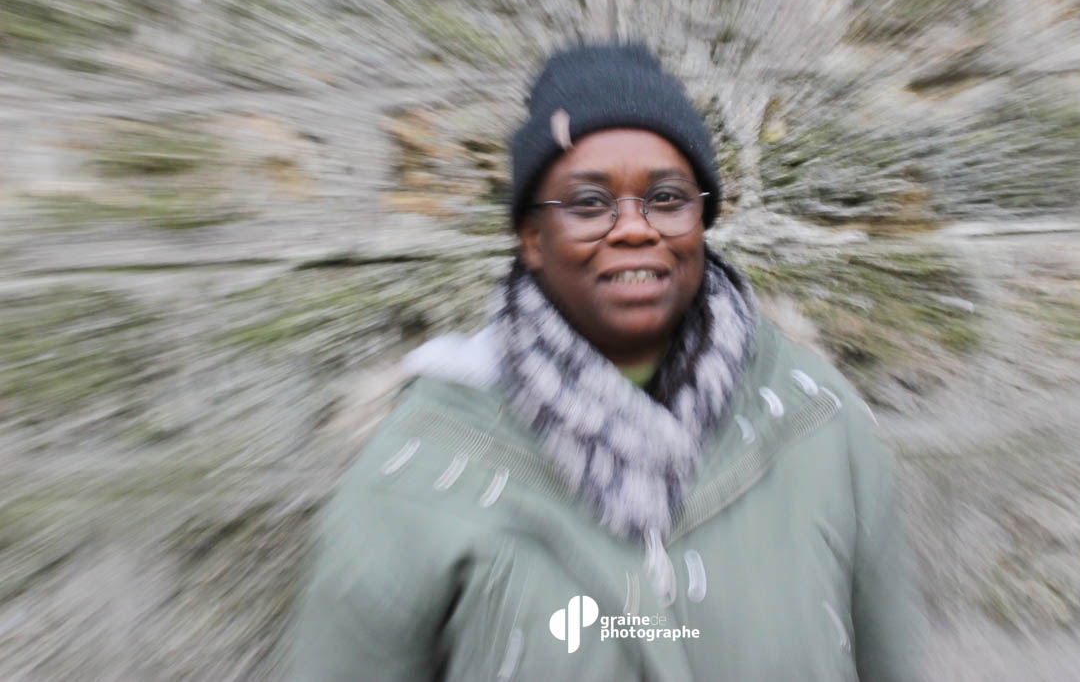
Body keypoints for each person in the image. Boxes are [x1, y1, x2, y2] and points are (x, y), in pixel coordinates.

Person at [286, 42, 924, 681]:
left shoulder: (817, 423)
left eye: (667, 198)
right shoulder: (423, 463)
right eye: (589, 204)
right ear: (532, 239)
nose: (634, 228)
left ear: (702, 221)